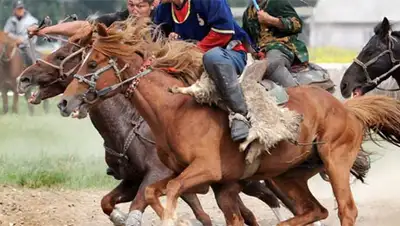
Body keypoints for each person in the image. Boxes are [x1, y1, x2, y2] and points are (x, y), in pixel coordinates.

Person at [154, 0, 253, 142]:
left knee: (212, 57)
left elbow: (223, 32)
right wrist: (171, 41)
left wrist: (190, 51)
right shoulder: (163, 9)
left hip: (228, 54)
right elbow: (158, 37)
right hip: (189, 59)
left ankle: (239, 114)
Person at [242, 0, 309, 87]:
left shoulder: (277, 2)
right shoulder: (248, 13)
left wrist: (270, 20)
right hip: (261, 53)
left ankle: (297, 92)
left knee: (271, 64)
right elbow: (246, 37)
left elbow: (297, 25)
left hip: (282, 48)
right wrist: (254, 52)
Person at [28, 0, 159, 38]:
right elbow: (83, 27)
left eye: (140, 6)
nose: (134, 10)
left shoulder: (161, 22)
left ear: (153, 5)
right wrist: (46, 30)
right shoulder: (117, 18)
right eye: (131, 5)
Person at [4, 0, 39, 67]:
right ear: (14, 10)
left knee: (32, 60)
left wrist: (22, 39)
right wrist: (15, 39)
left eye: (21, 8)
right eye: (18, 9)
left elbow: (33, 34)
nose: (20, 10)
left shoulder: (32, 20)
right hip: (13, 45)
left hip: (28, 46)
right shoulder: (10, 20)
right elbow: (6, 33)